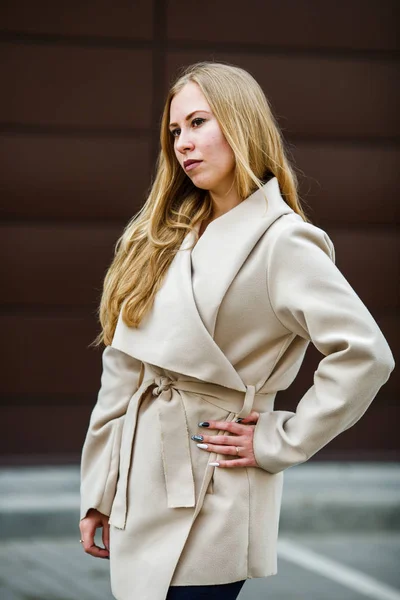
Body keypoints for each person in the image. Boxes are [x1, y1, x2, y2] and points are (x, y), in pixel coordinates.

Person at [79, 62, 394, 600]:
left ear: (240, 124)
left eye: (199, 122)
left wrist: (279, 438)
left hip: (215, 481)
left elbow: (366, 354)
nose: (183, 143)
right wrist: (97, 491)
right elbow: (123, 371)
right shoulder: (160, 237)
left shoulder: (284, 243)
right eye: (175, 131)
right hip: (139, 485)